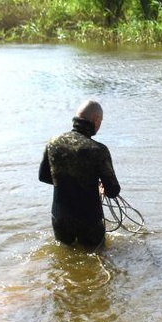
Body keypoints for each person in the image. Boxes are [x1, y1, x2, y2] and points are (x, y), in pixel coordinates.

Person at [39, 98, 121, 249]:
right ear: (95, 119)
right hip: (89, 219)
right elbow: (113, 190)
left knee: (64, 258)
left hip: (60, 217)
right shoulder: (98, 150)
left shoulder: (53, 142)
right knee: (97, 256)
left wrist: (68, 183)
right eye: (101, 121)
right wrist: (101, 188)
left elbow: (43, 176)